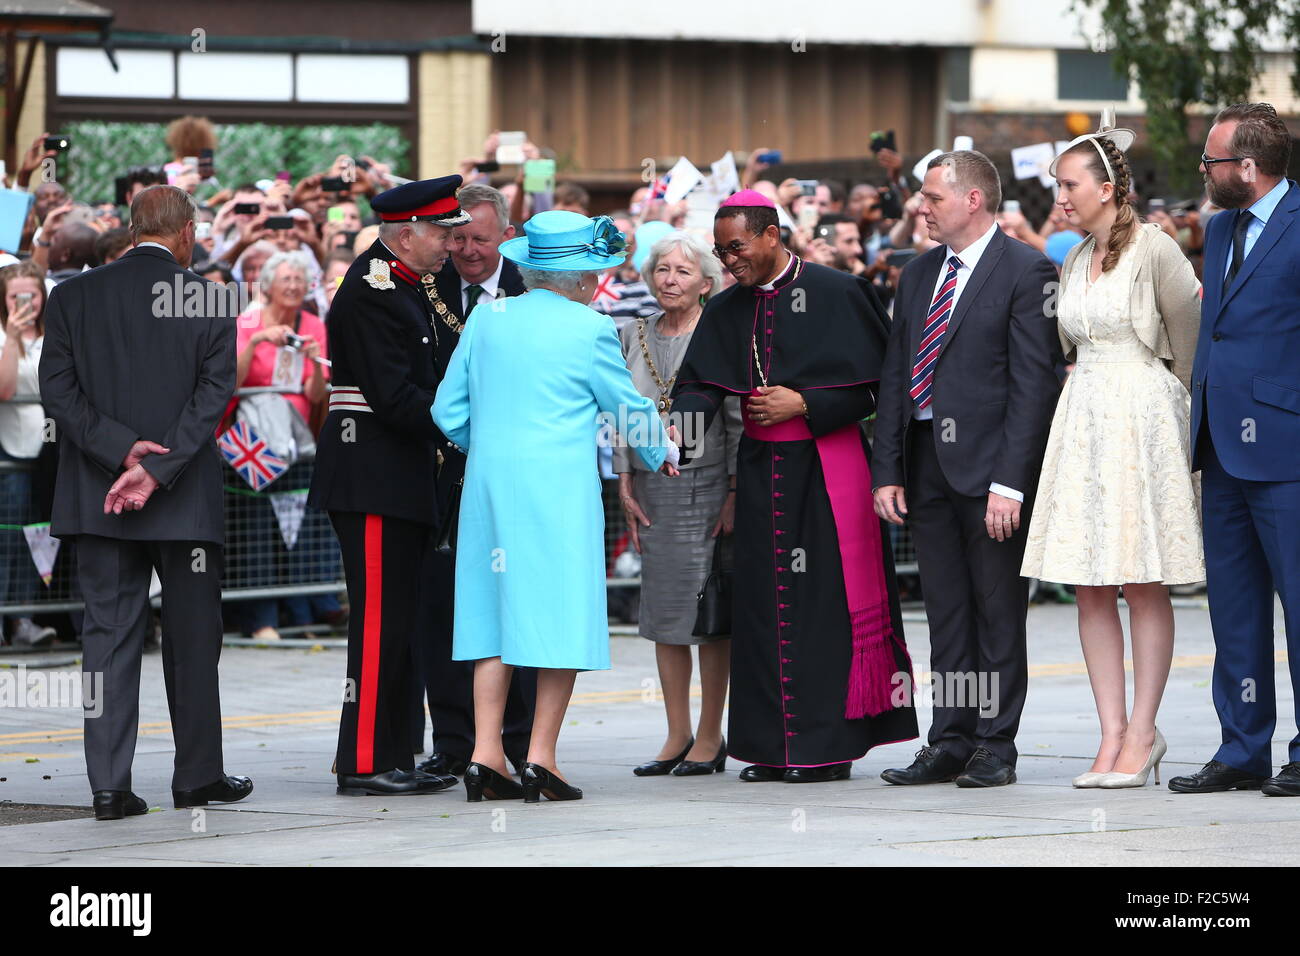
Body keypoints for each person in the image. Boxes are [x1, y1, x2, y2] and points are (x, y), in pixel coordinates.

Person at [670, 190, 918, 783]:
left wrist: (806, 402)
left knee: (821, 608)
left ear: (771, 234)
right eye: (720, 250)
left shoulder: (839, 292)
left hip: (828, 471)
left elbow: (881, 388)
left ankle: (825, 751)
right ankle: (772, 749)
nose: (728, 260)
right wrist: (675, 428)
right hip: (761, 476)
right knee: (762, 609)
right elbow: (700, 384)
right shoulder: (727, 309)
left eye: (737, 247)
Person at [432, 210, 679, 803]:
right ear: (584, 278)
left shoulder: (486, 319)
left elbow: (447, 412)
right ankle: (541, 757)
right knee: (560, 613)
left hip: (490, 486)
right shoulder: (588, 327)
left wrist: (489, 445)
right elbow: (625, 406)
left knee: (492, 615)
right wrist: (658, 449)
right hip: (558, 488)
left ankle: (485, 753)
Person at [38, 184, 251, 821]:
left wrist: (121, 451)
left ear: (134, 229)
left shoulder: (72, 295)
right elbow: (213, 397)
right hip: (180, 497)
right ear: (185, 232)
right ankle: (196, 778)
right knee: (192, 640)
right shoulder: (210, 298)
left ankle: (108, 785)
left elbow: (57, 392)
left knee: (105, 641)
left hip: (100, 496)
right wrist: (155, 467)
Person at [1021, 117, 1204, 789]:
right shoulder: (1072, 258)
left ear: (1105, 186)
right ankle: (1110, 734)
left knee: (1141, 575)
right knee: (1090, 584)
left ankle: (1144, 731)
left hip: (1143, 414)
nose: (1059, 198)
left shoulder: (1156, 249)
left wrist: (1182, 436)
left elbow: (1187, 344)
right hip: (1085, 412)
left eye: (1067, 186)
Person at [872, 151, 1061, 789]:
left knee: (996, 610)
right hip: (926, 467)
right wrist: (888, 469)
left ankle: (994, 743)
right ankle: (949, 738)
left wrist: (1010, 482)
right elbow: (898, 375)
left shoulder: (1027, 269)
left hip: (990, 475)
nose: (920, 207)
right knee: (947, 612)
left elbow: (1033, 387)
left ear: (973, 200)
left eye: (931, 197)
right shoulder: (918, 273)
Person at [308, 176, 472, 797]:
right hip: (373, 471)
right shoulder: (373, 290)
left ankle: (394, 748)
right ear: (406, 234)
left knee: (398, 619)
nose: (451, 244)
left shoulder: (412, 282)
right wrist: (467, 427)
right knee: (378, 621)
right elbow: (396, 396)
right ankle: (366, 759)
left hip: (400, 474)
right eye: (442, 233)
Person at [1174, 102, 1300, 797]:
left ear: (1246, 169)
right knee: (1236, 610)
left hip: (1288, 450)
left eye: (1213, 160)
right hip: (1221, 447)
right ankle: (1243, 746)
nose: (1204, 170)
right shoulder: (1220, 229)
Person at [415, 183, 534, 778]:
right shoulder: (424, 288)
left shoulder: (532, 289)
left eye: (480, 238)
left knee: (517, 605)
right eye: (455, 236)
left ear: (506, 236)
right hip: (442, 477)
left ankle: (519, 741)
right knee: (444, 610)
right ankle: (454, 742)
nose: (465, 250)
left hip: (513, 478)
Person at [615, 231, 741, 777]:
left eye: (683, 272)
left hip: (709, 484)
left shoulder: (720, 333)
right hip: (651, 488)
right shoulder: (630, 334)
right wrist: (623, 479)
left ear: (706, 284)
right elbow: (620, 410)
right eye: (663, 269)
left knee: (709, 614)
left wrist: (735, 490)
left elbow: (736, 416)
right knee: (664, 614)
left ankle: (711, 736)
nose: (670, 279)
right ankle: (675, 734)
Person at [232, 251, 332, 641]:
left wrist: (314, 361)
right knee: (257, 527)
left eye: (299, 279)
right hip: (252, 440)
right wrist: (256, 341)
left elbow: (316, 392)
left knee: (303, 525)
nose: (292, 286)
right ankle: (261, 618)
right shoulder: (246, 322)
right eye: (285, 278)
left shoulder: (312, 324)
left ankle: (304, 613)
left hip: (298, 439)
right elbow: (231, 382)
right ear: (269, 284)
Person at [0, 262, 56, 647]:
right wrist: (12, 340)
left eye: (31, 295)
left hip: (50, 454)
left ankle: (22, 618)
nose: (25, 303)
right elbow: (4, 391)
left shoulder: (55, 335)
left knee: (38, 537)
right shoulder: (3, 334)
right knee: (7, 538)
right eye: (16, 296)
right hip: (13, 453)